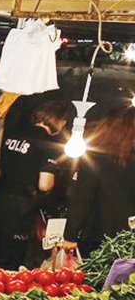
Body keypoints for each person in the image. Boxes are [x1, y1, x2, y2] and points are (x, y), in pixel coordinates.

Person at [0, 100, 72, 268]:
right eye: (63, 122)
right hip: (21, 207)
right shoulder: (49, 144)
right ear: (58, 120)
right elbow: (44, 184)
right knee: (10, 259)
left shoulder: (14, 134)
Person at [61, 106, 135, 256]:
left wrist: (70, 235)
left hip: (96, 234)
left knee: (93, 277)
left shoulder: (97, 157)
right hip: (129, 237)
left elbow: (83, 197)